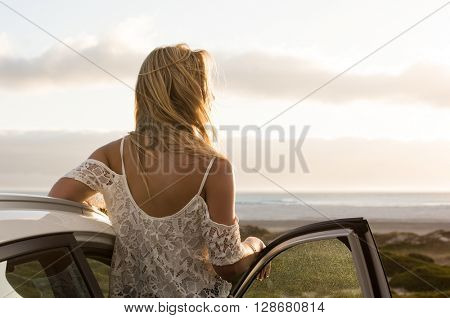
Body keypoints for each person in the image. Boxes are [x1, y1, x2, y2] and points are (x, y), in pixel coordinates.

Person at [48, 43, 270, 297]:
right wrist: (255, 244)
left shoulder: (109, 156)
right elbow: (228, 266)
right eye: (206, 90)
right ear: (193, 96)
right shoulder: (214, 167)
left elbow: (58, 201)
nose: (212, 97)